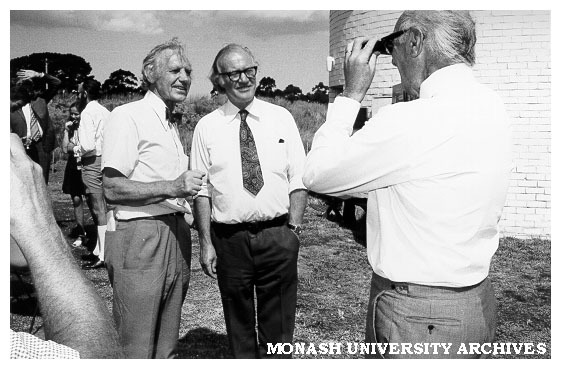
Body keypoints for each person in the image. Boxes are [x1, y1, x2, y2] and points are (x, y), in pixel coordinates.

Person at [303, 11, 512, 358]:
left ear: (414, 41)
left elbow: (318, 173)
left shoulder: (411, 120)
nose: (392, 59)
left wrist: (351, 95)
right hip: (474, 302)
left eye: (390, 45)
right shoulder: (491, 105)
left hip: (419, 314)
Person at [190, 44, 308, 358]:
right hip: (229, 242)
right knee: (238, 327)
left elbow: (299, 176)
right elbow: (201, 190)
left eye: (249, 70)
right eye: (233, 73)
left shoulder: (280, 117)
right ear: (219, 80)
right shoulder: (206, 128)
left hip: (277, 236)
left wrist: (292, 230)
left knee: (279, 329)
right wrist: (205, 242)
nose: (243, 79)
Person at [102, 38, 204, 359]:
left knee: (166, 344)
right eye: (175, 70)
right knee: (136, 342)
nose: (185, 77)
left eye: (188, 71)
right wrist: (173, 187)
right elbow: (112, 188)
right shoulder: (127, 116)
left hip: (176, 235)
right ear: (149, 73)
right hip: (140, 235)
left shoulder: (171, 123)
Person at [10, 133, 124, 359]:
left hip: (88, 163)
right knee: (81, 201)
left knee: (96, 207)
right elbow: (97, 356)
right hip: (80, 163)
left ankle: (100, 249)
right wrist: (41, 225)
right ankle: (96, 245)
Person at [74, 79, 110, 269]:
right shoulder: (105, 112)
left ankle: (103, 255)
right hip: (106, 160)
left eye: (79, 93)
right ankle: (99, 249)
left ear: (85, 94)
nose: (78, 96)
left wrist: (75, 149)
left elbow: (87, 145)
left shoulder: (88, 113)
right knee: (103, 208)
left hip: (92, 161)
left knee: (98, 209)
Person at [10, 69, 61, 183]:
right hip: (20, 147)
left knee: (42, 182)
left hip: (41, 146)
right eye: (22, 82)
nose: (26, 84)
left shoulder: (40, 99)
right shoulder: (12, 103)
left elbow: (57, 83)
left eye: (29, 81)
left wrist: (39, 75)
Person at [61, 102, 89, 247]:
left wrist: (75, 147)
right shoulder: (70, 129)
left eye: (76, 113)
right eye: (71, 113)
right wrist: (66, 131)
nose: (73, 116)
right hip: (73, 164)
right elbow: (65, 149)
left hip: (86, 163)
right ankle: (81, 232)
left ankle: (98, 231)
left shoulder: (87, 127)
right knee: (76, 199)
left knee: (91, 199)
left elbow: (86, 147)